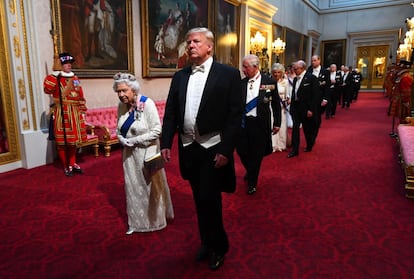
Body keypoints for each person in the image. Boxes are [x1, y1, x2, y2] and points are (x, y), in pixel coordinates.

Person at [161, 27, 242, 270]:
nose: (190, 46)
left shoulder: (228, 75)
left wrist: (226, 150)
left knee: (210, 199)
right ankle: (206, 242)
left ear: (209, 46)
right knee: (199, 199)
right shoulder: (180, 76)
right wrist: (166, 142)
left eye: (196, 41)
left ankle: (219, 246)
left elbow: (234, 116)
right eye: (188, 42)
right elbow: (171, 112)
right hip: (189, 147)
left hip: (212, 147)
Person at [114, 72, 174, 234]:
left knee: (149, 187)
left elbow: (157, 130)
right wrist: (121, 138)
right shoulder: (121, 106)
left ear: (133, 90)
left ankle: (155, 221)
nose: (121, 95)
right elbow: (118, 129)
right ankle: (136, 222)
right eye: (118, 91)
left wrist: (134, 140)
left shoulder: (147, 104)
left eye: (124, 91)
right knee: (133, 187)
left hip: (147, 153)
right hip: (129, 156)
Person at [238, 55, 281, 194]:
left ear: (255, 67)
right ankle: (251, 170)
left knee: (256, 154)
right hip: (244, 124)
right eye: (243, 67)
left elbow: (275, 104)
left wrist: (277, 123)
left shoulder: (269, 82)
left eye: (246, 67)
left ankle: (252, 183)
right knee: (241, 151)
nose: (243, 70)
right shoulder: (241, 83)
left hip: (260, 124)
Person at [44, 52, 88, 176]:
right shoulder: (55, 78)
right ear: (60, 65)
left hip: (74, 112)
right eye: (65, 63)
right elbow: (47, 89)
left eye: (70, 63)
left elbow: (80, 94)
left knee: (73, 141)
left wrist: (82, 110)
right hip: (62, 112)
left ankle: (73, 163)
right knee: (63, 141)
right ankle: (66, 165)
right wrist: (53, 76)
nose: (69, 65)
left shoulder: (75, 78)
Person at [287, 60, 320, 158]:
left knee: (307, 129)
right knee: (295, 129)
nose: (294, 70)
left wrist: (311, 109)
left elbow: (315, 96)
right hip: (296, 108)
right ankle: (295, 149)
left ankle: (309, 144)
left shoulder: (311, 78)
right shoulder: (296, 79)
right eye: (294, 68)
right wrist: (292, 107)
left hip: (306, 109)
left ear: (302, 68)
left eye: (296, 69)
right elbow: (294, 93)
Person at [306, 55, 329, 142]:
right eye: (312, 61)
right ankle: (310, 135)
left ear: (319, 61)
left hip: (320, 99)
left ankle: (313, 137)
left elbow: (327, 86)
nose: (313, 62)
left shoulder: (325, 72)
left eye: (315, 60)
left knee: (316, 118)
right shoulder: (309, 70)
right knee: (309, 119)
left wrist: (325, 99)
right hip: (309, 99)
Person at [270, 63, 289, 152]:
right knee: (272, 124)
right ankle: (273, 145)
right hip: (271, 107)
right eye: (274, 72)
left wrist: (286, 100)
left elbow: (288, 95)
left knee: (281, 125)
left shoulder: (286, 82)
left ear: (281, 73)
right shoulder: (269, 81)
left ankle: (281, 144)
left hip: (282, 108)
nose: (276, 74)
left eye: (278, 72)